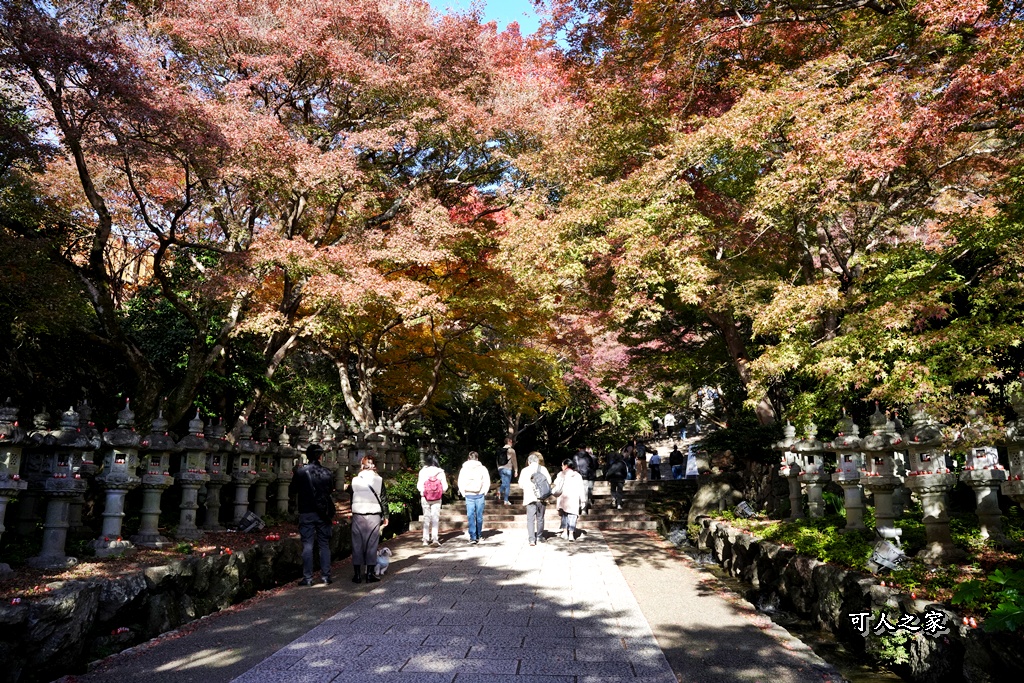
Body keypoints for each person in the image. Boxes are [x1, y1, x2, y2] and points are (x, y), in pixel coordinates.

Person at [294, 444, 335, 586]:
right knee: (324, 544)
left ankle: (308, 578)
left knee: (307, 545)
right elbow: (330, 490)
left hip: (306, 511)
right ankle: (326, 576)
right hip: (323, 512)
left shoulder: (300, 472)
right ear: (320, 456)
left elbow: (294, 489)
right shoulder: (327, 472)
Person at [349, 454, 388, 584]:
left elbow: (351, 498)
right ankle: (370, 574)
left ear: (362, 465)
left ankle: (357, 575)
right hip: (374, 514)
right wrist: (386, 516)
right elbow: (383, 499)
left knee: (357, 544)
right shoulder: (379, 480)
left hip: (358, 515)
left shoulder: (355, 480)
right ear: (374, 465)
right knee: (372, 544)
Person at [457, 451, 490, 544]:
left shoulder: (464, 468)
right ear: (477, 458)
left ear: (468, 458)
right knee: (479, 516)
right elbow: (487, 481)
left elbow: (460, 481)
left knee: (470, 515)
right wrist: (484, 491)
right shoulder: (482, 468)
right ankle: (479, 534)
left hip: (468, 494)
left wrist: (463, 493)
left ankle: (473, 536)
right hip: (480, 494)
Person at [519, 452, 551, 546]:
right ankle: (539, 536)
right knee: (540, 518)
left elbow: (521, 484)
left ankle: (532, 539)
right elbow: (549, 481)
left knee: (530, 519)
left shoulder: (524, 470)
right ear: (538, 461)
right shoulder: (543, 469)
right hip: (542, 497)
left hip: (529, 497)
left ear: (529, 462)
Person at [416, 454, 448, 547]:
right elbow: (445, 487)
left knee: (426, 518)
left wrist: (423, 492)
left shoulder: (423, 471)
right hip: (437, 498)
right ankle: (435, 539)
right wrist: (439, 491)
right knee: (435, 518)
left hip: (425, 497)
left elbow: (419, 486)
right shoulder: (440, 472)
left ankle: (425, 539)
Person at [554, 459, 585, 541]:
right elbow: (581, 488)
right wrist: (583, 500)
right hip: (574, 498)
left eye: (562, 465)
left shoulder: (560, 474)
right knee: (573, 516)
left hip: (563, 498)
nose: (562, 467)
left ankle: (565, 532)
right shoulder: (577, 475)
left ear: (566, 465)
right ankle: (571, 534)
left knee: (564, 515)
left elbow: (556, 485)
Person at [572, 446, 596, 514]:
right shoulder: (588, 456)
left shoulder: (575, 456)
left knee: (577, 493)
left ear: (579, 449)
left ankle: (578, 507)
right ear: (585, 449)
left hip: (578, 476)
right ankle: (584, 510)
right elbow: (592, 466)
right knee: (585, 493)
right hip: (586, 476)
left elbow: (575, 466)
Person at [496, 437, 519, 506]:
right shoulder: (511, 450)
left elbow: (497, 460)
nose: (512, 443)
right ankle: (505, 500)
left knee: (504, 483)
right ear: (509, 442)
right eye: (511, 442)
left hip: (500, 468)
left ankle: (499, 492)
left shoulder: (500, 450)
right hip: (508, 468)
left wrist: (498, 468)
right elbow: (514, 461)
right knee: (507, 485)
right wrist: (516, 470)